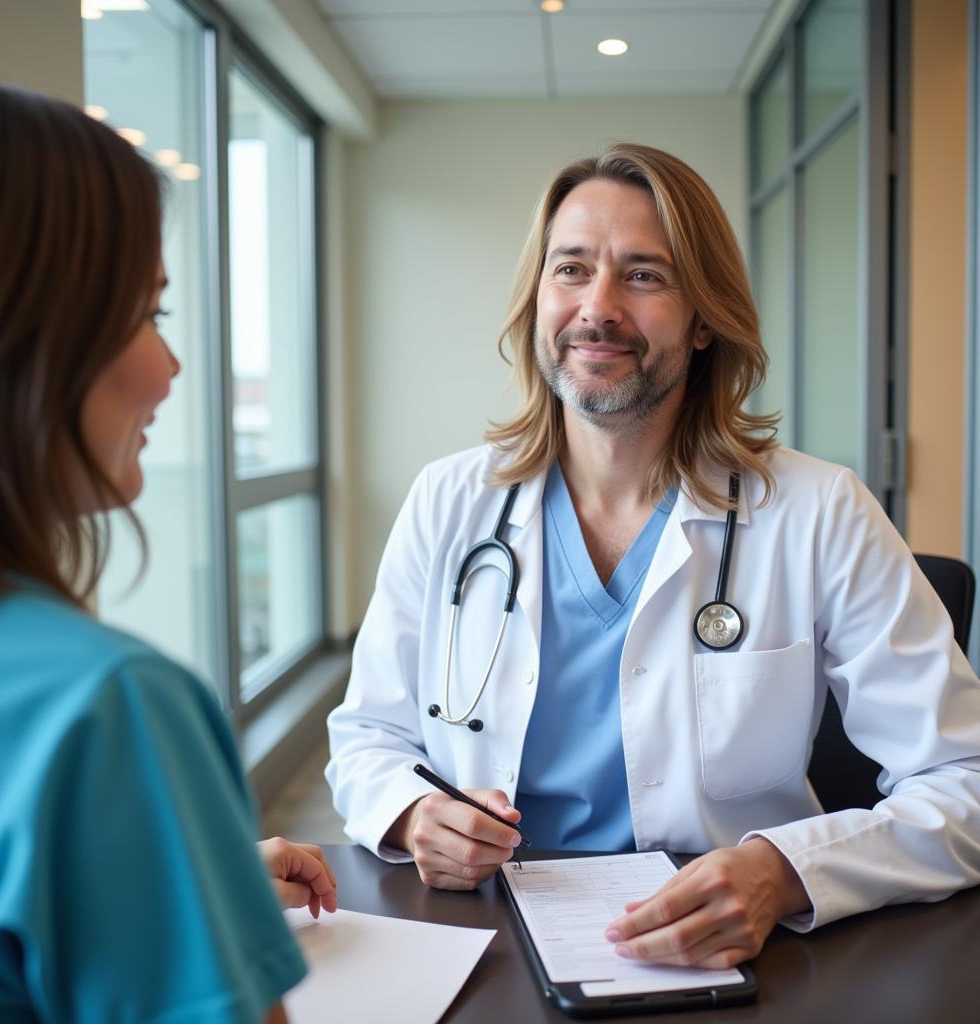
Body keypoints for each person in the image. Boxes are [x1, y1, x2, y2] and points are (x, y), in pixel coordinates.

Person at [326, 142, 980, 969]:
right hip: (484, 935)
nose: (597, 308)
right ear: (538, 298)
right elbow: (366, 739)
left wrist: (784, 872)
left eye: (643, 275)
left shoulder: (820, 513)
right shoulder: (449, 502)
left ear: (705, 318)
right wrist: (412, 815)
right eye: (571, 270)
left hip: (723, 945)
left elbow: (965, 780)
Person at [0, 67, 335, 1022]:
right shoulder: (103, 709)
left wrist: (182, 871)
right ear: (20, 330)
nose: (169, 365)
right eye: (147, 311)